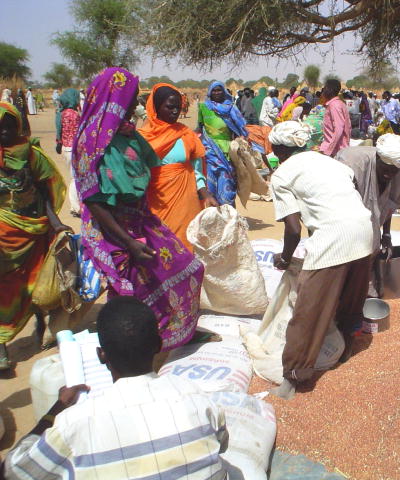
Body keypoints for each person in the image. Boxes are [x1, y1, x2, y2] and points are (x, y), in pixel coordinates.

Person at [2, 296, 229, 479]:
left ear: (102, 355)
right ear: (159, 346)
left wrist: (56, 409)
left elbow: (12, 470)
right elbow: (221, 444)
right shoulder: (196, 397)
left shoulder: (73, 423)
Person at [73, 67, 204, 350]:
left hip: (142, 219)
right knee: (128, 290)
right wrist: (129, 242)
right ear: (113, 100)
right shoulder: (91, 143)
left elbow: (153, 167)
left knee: (188, 267)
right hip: (112, 230)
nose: (134, 106)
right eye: (129, 100)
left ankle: (169, 334)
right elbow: (95, 203)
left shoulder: (130, 135)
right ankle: (125, 350)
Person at [268, 121, 373, 399]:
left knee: (309, 310)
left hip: (333, 238)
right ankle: (344, 352)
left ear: (277, 149)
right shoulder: (331, 162)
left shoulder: (281, 175)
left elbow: (293, 229)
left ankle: (294, 377)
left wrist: (285, 257)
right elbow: (350, 188)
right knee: (351, 300)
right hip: (364, 230)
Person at [0, 102, 68, 370]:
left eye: (9, 126)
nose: (4, 131)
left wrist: (57, 224)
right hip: (4, 234)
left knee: (39, 284)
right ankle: (2, 345)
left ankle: (41, 324)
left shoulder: (31, 155)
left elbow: (46, 191)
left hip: (36, 230)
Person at [139, 83, 217, 250]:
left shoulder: (186, 134)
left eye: (178, 107)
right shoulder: (142, 138)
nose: (175, 111)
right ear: (156, 107)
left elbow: (197, 171)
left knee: (187, 248)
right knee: (162, 249)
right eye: (169, 107)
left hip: (186, 203)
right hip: (156, 204)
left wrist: (206, 194)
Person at [335, 133, 400, 296]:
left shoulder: (399, 172)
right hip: (344, 226)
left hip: (369, 232)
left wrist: (387, 235)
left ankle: (364, 293)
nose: (388, 175)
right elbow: (339, 208)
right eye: (385, 169)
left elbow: (391, 203)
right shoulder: (352, 164)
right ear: (377, 158)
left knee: (366, 272)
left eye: (393, 171)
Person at [197, 80, 248, 205]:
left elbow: (240, 128)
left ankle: (228, 217)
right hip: (208, 152)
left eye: (219, 90)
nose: (216, 92)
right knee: (210, 187)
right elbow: (199, 127)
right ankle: (214, 219)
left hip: (227, 152)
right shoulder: (204, 107)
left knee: (227, 187)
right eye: (214, 90)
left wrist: (241, 143)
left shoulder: (231, 108)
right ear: (210, 92)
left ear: (224, 91)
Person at [55, 88, 82, 216]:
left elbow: (59, 131)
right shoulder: (75, 115)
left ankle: (75, 205)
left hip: (66, 148)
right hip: (75, 148)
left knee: (73, 176)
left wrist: (59, 143)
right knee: (75, 177)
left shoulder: (61, 114)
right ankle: (75, 207)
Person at [319, 78, 350, 157]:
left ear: (329, 89)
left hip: (336, 151)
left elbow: (338, 129)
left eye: (325, 88)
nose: (323, 91)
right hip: (334, 149)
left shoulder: (334, 105)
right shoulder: (336, 104)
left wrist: (329, 150)